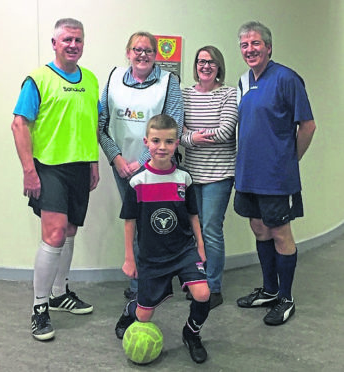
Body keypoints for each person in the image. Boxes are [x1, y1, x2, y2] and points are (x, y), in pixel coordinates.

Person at [11, 18, 101, 341]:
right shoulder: (37, 79)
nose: (73, 45)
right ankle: (39, 307)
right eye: (67, 40)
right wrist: (28, 170)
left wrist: (93, 163)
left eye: (78, 39)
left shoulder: (90, 80)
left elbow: (90, 123)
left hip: (79, 167)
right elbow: (20, 125)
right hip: (48, 166)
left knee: (71, 230)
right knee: (54, 233)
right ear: (54, 43)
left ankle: (60, 293)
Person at [234, 21, 316, 325]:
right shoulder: (244, 82)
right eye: (244, 45)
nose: (250, 49)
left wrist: (289, 161)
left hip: (276, 177)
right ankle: (268, 290)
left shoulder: (286, 78)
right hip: (248, 175)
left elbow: (308, 126)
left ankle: (285, 297)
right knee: (258, 228)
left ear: (268, 47)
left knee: (281, 232)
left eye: (255, 43)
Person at [114, 114, 210, 363]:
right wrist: (129, 258)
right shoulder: (137, 182)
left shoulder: (184, 178)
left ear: (176, 143)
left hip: (183, 250)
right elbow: (129, 222)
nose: (162, 147)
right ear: (146, 142)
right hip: (152, 257)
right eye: (156, 141)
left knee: (203, 294)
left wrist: (200, 245)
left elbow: (193, 215)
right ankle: (130, 310)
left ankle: (192, 333)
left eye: (168, 142)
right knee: (143, 315)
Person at [99, 31, 183, 300]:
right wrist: (118, 159)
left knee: (158, 226)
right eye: (137, 49)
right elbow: (101, 125)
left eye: (148, 50)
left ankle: (159, 285)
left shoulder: (169, 82)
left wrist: (143, 162)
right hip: (122, 168)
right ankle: (139, 286)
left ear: (156, 55)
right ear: (128, 52)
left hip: (157, 168)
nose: (142, 54)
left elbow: (175, 127)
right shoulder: (113, 79)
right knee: (134, 225)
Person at [180, 46, 238, 310]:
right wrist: (192, 138)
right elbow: (177, 132)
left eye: (211, 62)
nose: (205, 66)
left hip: (220, 174)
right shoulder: (185, 95)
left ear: (219, 66)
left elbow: (226, 131)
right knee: (195, 230)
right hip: (192, 175)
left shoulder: (228, 94)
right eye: (201, 61)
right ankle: (197, 282)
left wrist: (194, 137)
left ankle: (213, 287)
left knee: (211, 230)